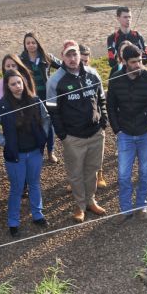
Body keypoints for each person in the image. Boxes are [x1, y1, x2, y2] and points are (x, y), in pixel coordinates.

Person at [47, 40, 108, 223]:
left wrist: (103, 121)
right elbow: (52, 111)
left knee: (92, 170)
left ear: (80, 55)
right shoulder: (55, 81)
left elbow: (102, 99)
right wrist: (62, 135)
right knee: (75, 174)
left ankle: (90, 200)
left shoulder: (93, 73)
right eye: (69, 55)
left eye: (75, 54)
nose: (72, 58)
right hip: (73, 137)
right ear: (62, 57)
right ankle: (80, 206)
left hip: (96, 133)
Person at [0, 69, 50, 237]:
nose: (17, 86)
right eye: (13, 84)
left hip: (35, 151)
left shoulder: (35, 100)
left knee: (34, 183)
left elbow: (46, 118)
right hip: (15, 156)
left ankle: (38, 214)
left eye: (19, 82)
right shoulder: (1, 105)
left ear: (24, 82)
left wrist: (43, 137)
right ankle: (13, 221)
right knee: (17, 188)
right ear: (7, 87)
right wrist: (4, 142)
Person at [108, 45, 147, 222]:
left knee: (145, 172)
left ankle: (142, 205)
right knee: (123, 174)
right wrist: (117, 129)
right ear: (124, 62)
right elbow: (110, 107)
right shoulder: (115, 80)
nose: (138, 65)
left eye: (139, 61)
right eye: (133, 62)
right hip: (125, 133)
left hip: (146, 133)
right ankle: (125, 209)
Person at [20, 31, 62, 164]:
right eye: (28, 43)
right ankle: (38, 151)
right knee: (34, 125)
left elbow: (63, 66)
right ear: (25, 45)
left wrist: (58, 82)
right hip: (31, 98)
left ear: (38, 43)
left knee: (49, 124)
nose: (31, 45)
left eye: (33, 42)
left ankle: (51, 151)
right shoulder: (21, 60)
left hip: (48, 96)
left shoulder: (46, 57)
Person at [80, 44, 107, 189]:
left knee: (97, 151)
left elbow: (101, 96)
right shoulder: (68, 77)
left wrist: (103, 118)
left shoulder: (94, 74)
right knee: (77, 153)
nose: (84, 63)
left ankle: (99, 174)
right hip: (77, 122)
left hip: (94, 118)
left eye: (86, 60)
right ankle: (77, 178)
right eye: (81, 60)